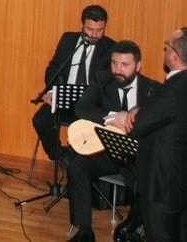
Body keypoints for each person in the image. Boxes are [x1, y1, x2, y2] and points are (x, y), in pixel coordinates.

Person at [125, 27, 187, 241]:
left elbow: (138, 126)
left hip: (162, 186)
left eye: (167, 46)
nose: (164, 49)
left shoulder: (172, 91)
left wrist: (134, 112)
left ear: (174, 57)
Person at [66, 40, 160, 241]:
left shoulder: (152, 89)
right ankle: (85, 230)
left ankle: (133, 226)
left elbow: (160, 121)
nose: (118, 70)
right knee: (77, 166)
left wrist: (132, 119)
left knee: (147, 175)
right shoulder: (102, 80)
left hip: (136, 155)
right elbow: (81, 108)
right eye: (114, 63)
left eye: (125, 65)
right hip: (107, 150)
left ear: (138, 66)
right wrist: (113, 116)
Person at [32, 4, 115, 162]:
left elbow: (109, 84)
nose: (94, 35)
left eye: (100, 30)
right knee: (41, 120)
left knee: (86, 130)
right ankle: (60, 156)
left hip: (90, 105)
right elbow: (54, 68)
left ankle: (79, 162)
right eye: (90, 29)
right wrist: (52, 92)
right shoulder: (68, 40)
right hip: (63, 98)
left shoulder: (110, 48)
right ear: (81, 25)